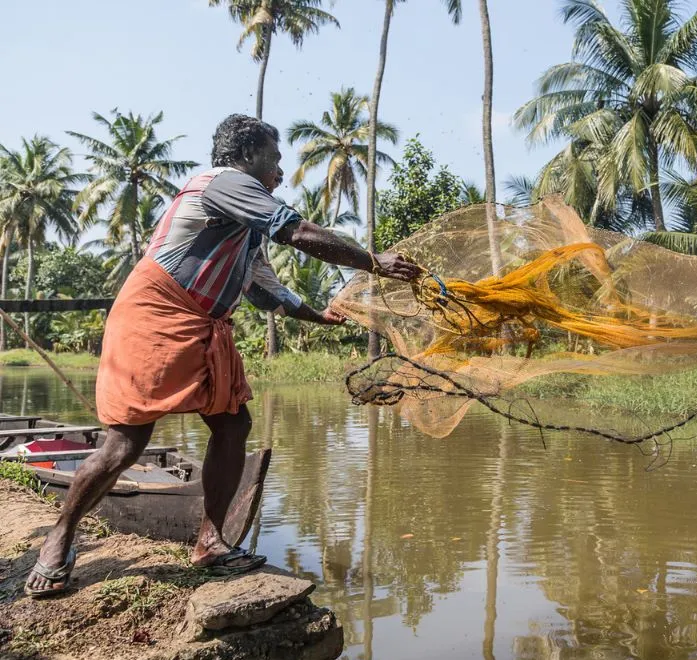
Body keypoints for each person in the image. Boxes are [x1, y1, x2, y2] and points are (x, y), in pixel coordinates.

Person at [24, 114, 419, 597]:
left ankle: (210, 542)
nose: (279, 173)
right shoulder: (222, 184)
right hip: (157, 313)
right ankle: (60, 537)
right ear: (249, 155)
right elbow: (296, 231)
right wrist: (374, 262)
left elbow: (264, 292)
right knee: (126, 444)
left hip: (205, 324)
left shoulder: (245, 221)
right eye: (274, 161)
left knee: (234, 425)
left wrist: (319, 316)